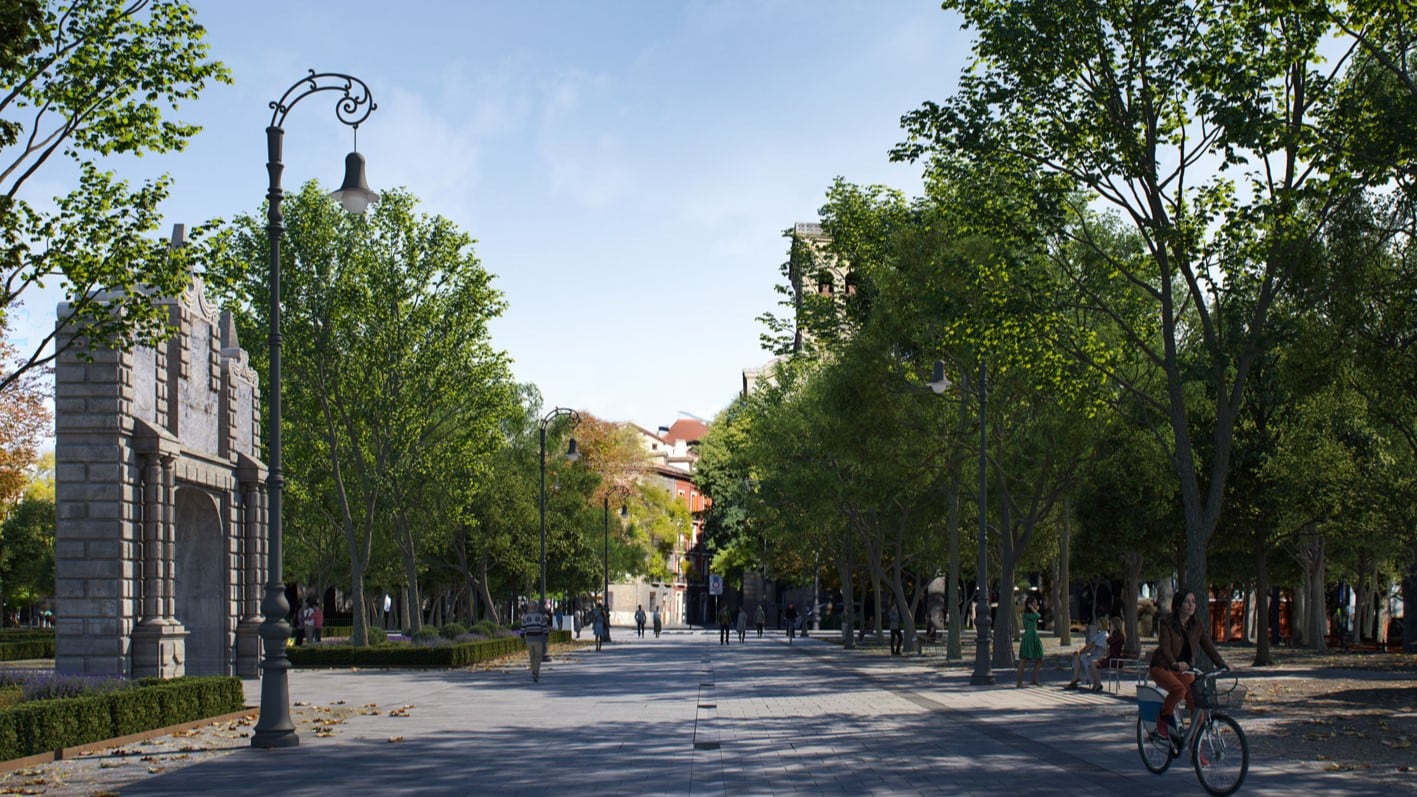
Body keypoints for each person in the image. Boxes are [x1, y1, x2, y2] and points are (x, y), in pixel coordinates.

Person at [1149, 589, 1229, 746]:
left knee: (1197, 706)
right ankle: (1163, 719)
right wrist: (1174, 663)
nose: (1191, 605)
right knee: (1179, 690)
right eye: (1187, 601)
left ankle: (1195, 749)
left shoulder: (1196, 625)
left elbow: (1208, 646)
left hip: (1184, 670)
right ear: (1178, 605)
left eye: (1193, 602)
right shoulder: (1166, 623)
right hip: (1163, 666)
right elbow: (1164, 647)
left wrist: (1222, 663)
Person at [1064, 621, 1108, 690]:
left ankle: (1075, 680)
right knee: (1078, 656)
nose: (1097, 624)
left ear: (1103, 624)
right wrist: (1080, 651)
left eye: (1098, 623)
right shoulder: (1099, 634)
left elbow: (1092, 646)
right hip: (1093, 655)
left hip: (1098, 657)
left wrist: (1080, 652)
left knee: (1079, 657)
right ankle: (1075, 680)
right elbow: (1089, 645)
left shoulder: (1104, 635)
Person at [1091, 615, 1128, 689]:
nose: (1109, 626)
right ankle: (1097, 683)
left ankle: (1097, 684)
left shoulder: (1119, 635)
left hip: (1116, 661)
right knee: (1094, 662)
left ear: (1115, 625)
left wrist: (1110, 633)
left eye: (1111, 624)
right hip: (1112, 659)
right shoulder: (1116, 634)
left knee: (1093, 663)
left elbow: (1108, 641)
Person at [1016, 596, 1044, 687]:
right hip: (1029, 635)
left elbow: (1038, 616)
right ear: (1031, 604)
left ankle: (1034, 679)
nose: (1037, 604)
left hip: (1034, 635)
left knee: (1039, 658)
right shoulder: (1027, 614)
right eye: (1035, 602)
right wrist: (1033, 609)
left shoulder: (1031, 613)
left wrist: (1034, 609)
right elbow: (1038, 616)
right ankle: (1019, 682)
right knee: (1024, 659)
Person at [521, 600, 550, 682]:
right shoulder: (541, 617)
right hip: (538, 639)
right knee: (538, 656)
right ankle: (536, 672)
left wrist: (522, 638)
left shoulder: (525, 617)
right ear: (536, 607)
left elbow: (523, 629)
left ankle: (534, 670)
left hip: (529, 639)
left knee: (532, 656)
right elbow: (544, 628)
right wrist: (546, 637)